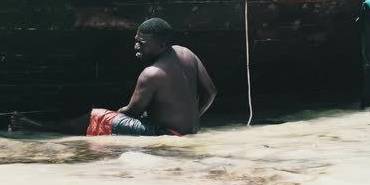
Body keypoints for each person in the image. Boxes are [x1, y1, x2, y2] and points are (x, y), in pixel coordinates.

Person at [13, 18, 217, 136]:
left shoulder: (151, 73)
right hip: (191, 131)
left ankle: (38, 127)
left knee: (97, 116)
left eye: (143, 44)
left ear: (162, 45)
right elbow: (211, 93)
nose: (136, 47)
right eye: (136, 41)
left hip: (168, 134)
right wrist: (194, 118)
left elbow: (132, 112)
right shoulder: (186, 52)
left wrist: (118, 111)